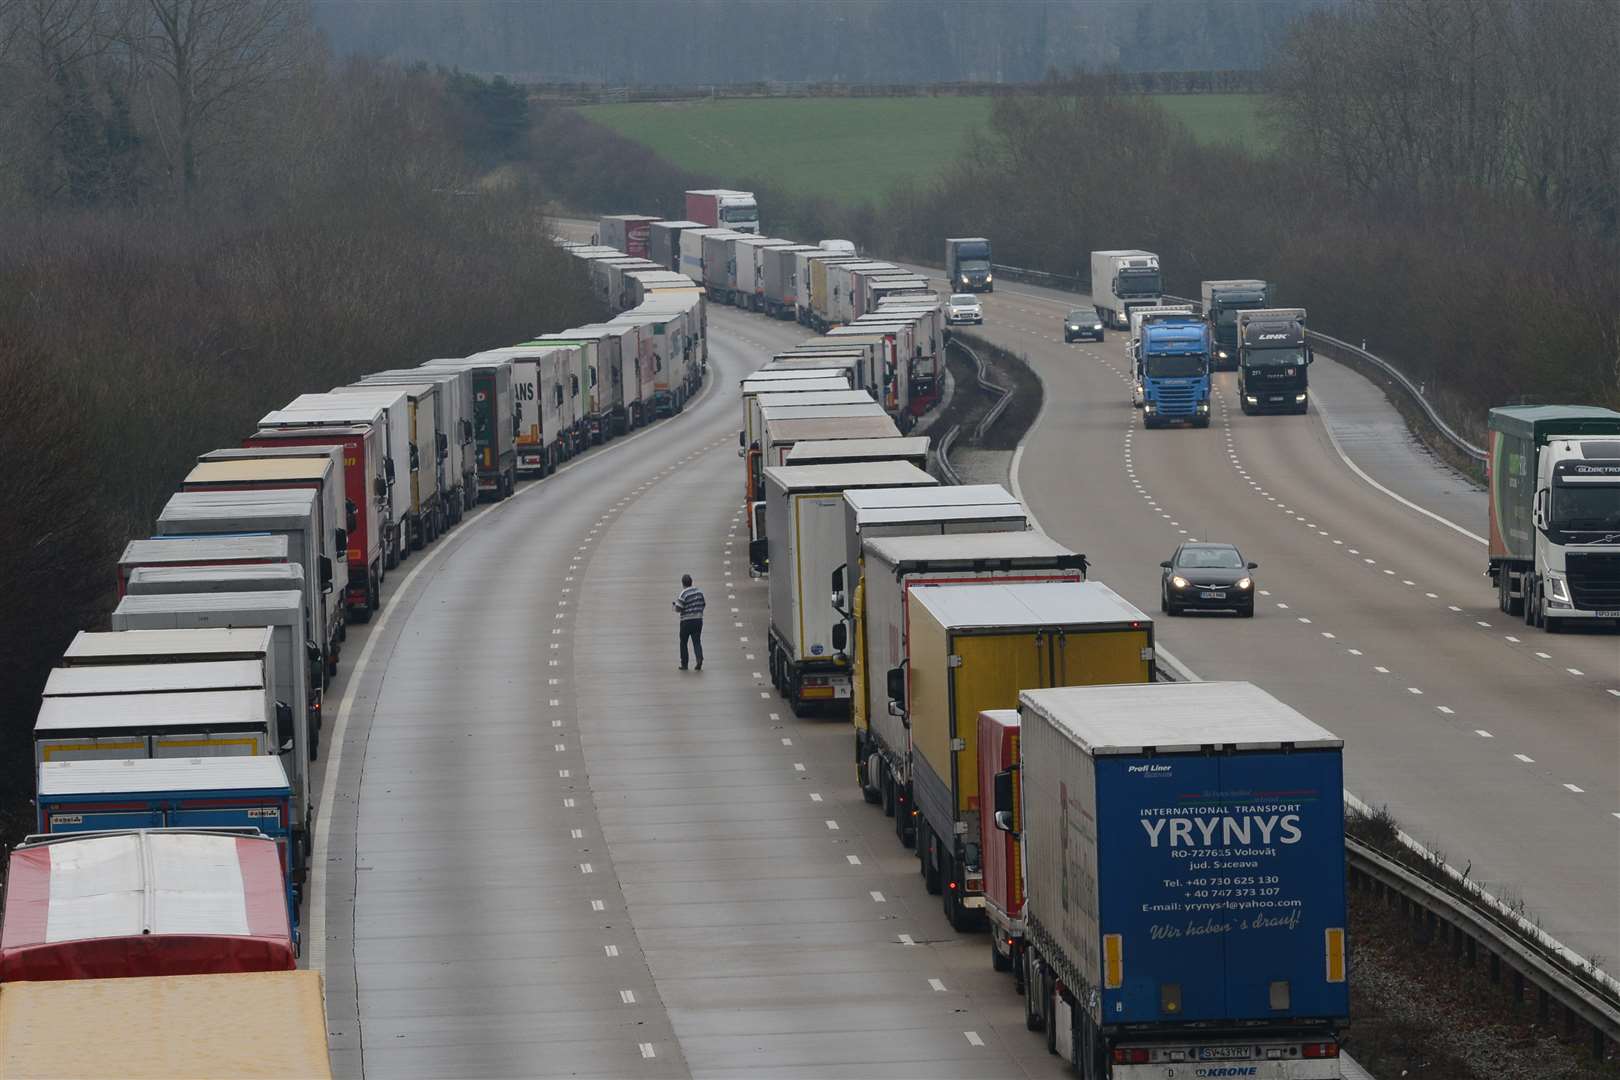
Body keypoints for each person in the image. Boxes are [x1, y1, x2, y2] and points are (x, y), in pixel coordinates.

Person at [673, 573, 705, 670]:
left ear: (683, 583)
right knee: (696, 641)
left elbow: (678, 608)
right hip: (698, 620)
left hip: (686, 622)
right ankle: (699, 658)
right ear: (691, 582)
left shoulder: (683, 593)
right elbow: (703, 604)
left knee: (683, 642)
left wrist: (674, 606)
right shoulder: (699, 592)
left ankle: (684, 664)